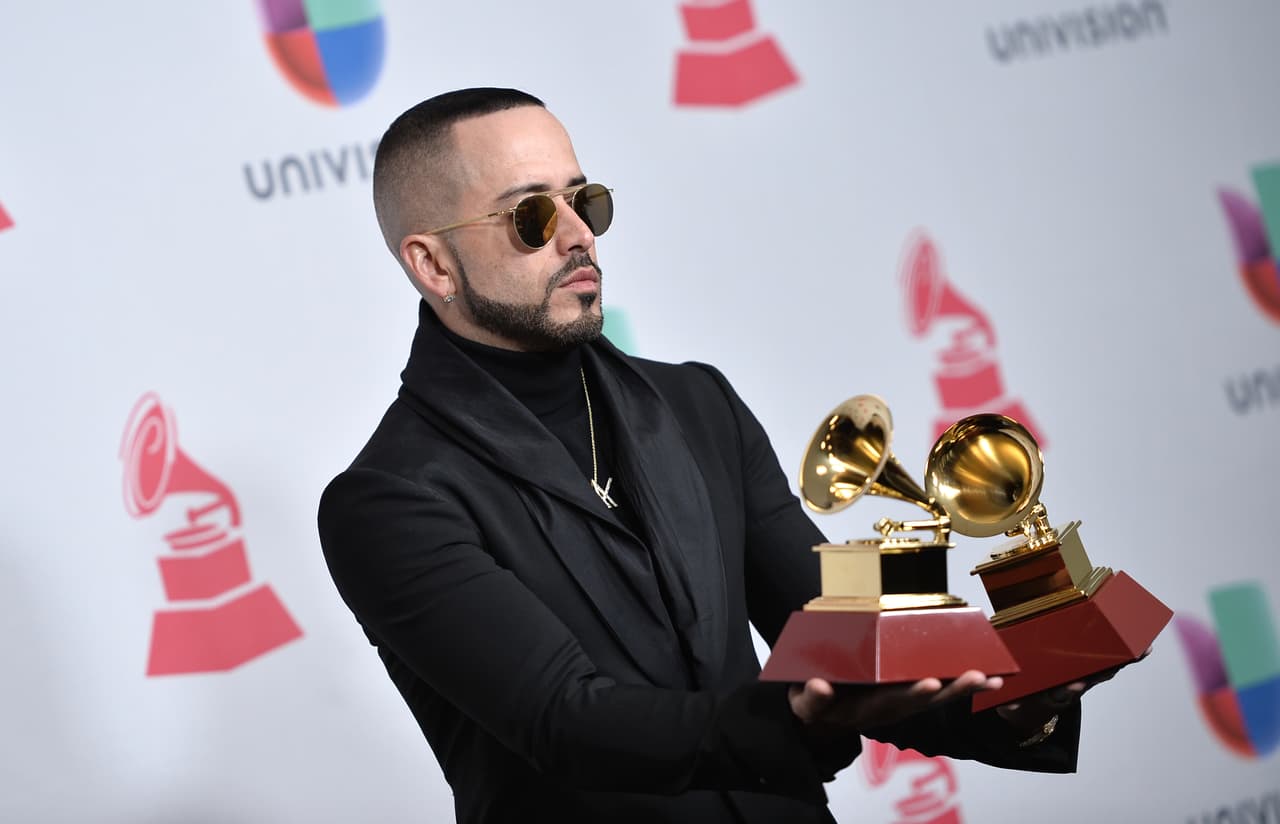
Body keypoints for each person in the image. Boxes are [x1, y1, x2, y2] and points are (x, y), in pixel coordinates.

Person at [318, 88, 1089, 824]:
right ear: (434, 265)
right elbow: (565, 720)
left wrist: (1017, 702)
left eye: (584, 201)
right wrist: (792, 719)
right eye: (529, 215)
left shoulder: (698, 405)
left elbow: (842, 631)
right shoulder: (387, 500)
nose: (579, 234)